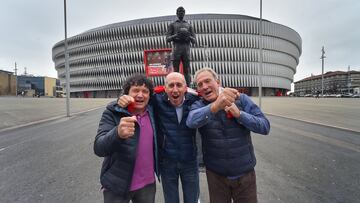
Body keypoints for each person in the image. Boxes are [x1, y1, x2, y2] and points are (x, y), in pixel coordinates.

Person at [186, 68, 270, 203]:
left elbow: (264, 126)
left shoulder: (240, 99)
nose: (204, 86)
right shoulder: (198, 105)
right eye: (200, 84)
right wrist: (215, 106)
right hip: (216, 175)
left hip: (244, 174)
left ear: (218, 82)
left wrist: (240, 115)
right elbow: (191, 121)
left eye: (207, 81)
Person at [118, 72, 199, 203]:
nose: (175, 89)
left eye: (179, 85)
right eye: (171, 85)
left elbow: (210, 95)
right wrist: (121, 98)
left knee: (192, 199)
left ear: (185, 88)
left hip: (190, 161)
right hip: (167, 162)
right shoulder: (157, 101)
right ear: (165, 88)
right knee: (171, 200)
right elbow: (137, 97)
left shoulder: (194, 100)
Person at [94, 74, 159, 203]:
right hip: (117, 184)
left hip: (147, 185)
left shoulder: (153, 111)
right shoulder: (112, 112)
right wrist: (117, 133)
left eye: (145, 91)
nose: (140, 95)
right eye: (135, 90)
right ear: (127, 94)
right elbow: (99, 148)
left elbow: (166, 93)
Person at [166, 6, 196, 87]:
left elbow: (194, 40)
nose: (181, 13)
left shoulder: (189, 25)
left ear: (184, 13)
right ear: (176, 13)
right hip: (176, 50)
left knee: (187, 71)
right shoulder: (172, 25)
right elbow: (167, 39)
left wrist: (188, 35)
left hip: (186, 50)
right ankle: (176, 86)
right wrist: (176, 35)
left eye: (182, 12)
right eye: (179, 12)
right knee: (176, 71)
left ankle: (188, 87)